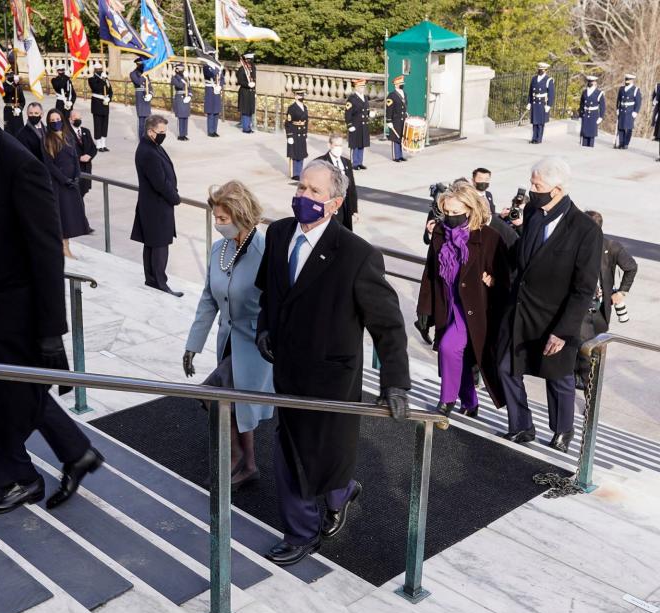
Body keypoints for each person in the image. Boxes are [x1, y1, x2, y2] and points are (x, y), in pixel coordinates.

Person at [0, 65, 102, 515]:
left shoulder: (17, 163)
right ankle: (73, 453)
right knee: (4, 391)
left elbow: (47, 253)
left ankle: (20, 479)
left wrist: (51, 331)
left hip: (11, 309)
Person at [255, 159, 410, 566]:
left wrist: (396, 382)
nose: (302, 197)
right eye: (301, 187)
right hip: (288, 369)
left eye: (314, 192)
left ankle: (337, 494)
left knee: (321, 450)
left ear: (335, 203)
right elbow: (269, 291)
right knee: (291, 449)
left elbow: (388, 324)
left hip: (332, 375)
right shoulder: (278, 233)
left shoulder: (356, 255)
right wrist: (264, 328)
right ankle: (302, 531)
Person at [497, 157, 602, 453]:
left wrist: (564, 331)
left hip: (556, 318)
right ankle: (520, 425)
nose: (532, 190)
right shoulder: (532, 212)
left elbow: (583, 289)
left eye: (537, 185)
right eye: (532, 183)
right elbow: (522, 257)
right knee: (506, 367)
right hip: (520, 310)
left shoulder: (585, 231)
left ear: (557, 190)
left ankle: (562, 431)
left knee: (557, 376)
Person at [184, 181, 273, 489]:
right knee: (237, 405)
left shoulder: (265, 252)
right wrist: (193, 345)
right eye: (215, 218)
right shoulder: (219, 249)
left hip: (256, 347)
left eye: (223, 219)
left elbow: (277, 302)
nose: (217, 224)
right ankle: (249, 465)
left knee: (213, 396)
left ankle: (234, 456)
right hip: (229, 344)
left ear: (241, 215)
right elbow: (209, 297)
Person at [417, 183, 509, 418]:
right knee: (461, 354)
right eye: (446, 213)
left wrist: (493, 280)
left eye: (456, 213)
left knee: (449, 348)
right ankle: (469, 401)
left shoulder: (489, 237)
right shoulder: (439, 232)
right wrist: (424, 308)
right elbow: (430, 272)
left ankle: (447, 399)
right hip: (447, 303)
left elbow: (506, 274)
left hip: (473, 308)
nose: (450, 218)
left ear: (470, 209)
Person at [575, 211, 637, 387]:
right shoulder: (575, 244)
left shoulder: (611, 247)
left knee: (591, 343)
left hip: (600, 307)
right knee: (582, 341)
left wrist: (622, 292)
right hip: (580, 305)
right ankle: (583, 378)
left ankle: (585, 378)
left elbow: (631, 267)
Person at [132, 115, 183, 297]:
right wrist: (175, 198)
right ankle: (160, 283)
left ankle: (152, 279)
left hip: (153, 205)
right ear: (150, 131)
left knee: (152, 244)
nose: (163, 135)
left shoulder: (151, 146)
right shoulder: (148, 152)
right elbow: (160, 182)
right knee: (159, 245)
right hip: (157, 206)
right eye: (161, 132)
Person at [43, 108, 91, 258]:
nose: (56, 123)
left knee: (71, 217)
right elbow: (49, 165)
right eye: (52, 121)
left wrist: (77, 176)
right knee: (62, 217)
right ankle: (63, 248)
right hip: (59, 185)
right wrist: (64, 180)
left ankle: (67, 246)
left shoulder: (68, 136)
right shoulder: (47, 140)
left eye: (58, 119)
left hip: (72, 184)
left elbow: (75, 158)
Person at [314, 134, 358, 230]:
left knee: (345, 233)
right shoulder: (320, 162)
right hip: (330, 206)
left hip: (345, 206)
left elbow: (352, 187)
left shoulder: (346, 162)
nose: (338, 148)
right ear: (329, 145)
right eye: (336, 145)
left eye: (340, 145)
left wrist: (354, 209)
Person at [69, 109, 97, 197]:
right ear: (70, 119)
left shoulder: (86, 131)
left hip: (86, 169)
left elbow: (93, 148)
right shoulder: (66, 133)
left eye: (79, 118)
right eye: (75, 118)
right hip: (75, 170)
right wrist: (79, 158)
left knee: (83, 194)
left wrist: (89, 156)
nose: (78, 120)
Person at [345, 78, 370, 169]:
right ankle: (354, 163)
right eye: (361, 86)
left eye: (363, 86)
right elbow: (348, 113)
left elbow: (366, 110)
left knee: (361, 143)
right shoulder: (352, 99)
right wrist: (349, 125)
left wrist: (370, 114)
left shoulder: (365, 97)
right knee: (355, 144)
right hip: (355, 125)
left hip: (363, 125)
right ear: (356, 87)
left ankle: (360, 162)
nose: (363, 88)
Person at [87, 62, 112, 152]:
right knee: (98, 125)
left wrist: (109, 98)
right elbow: (96, 88)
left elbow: (110, 90)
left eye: (101, 69)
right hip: (97, 104)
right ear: (95, 70)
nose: (100, 71)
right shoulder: (92, 79)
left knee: (105, 125)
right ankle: (98, 145)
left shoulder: (105, 78)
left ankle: (104, 144)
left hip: (105, 103)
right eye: (98, 70)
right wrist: (103, 79)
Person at [527, 62, 554, 144]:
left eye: (542, 70)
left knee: (540, 123)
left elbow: (551, 94)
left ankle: (539, 139)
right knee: (534, 122)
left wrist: (549, 105)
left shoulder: (548, 80)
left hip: (542, 103)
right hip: (535, 102)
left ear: (546, 70)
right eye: (539, 69)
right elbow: (530, 92)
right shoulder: (534, 79)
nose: (540, 71)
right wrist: (529, 102)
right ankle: (534, 138)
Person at [285, 89, 308, 180]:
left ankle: (300, 171)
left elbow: (306, 122)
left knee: (301, 153)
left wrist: (305, 134)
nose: (301, 97)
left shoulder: (305, 107)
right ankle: (295, 173)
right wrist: (289, 136)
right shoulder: (292, 108)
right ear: (295, 96)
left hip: (302, 133)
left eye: (302, 95)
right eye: (299, 95)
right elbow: (288, 123)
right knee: (295, 153)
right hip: (294, 132)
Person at [385, 75, 407, 162]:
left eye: (402, 83)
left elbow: (404, 106)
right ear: (396, 84)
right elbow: (389, 109)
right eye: (400, 83)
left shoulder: (404, 93)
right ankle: (396, 156)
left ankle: (401, 155)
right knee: (395, 138)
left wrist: (406, 113)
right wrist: (389, 120)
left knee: (401, 137)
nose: (402, 85)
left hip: (403, 119)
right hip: (395, 120)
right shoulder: (391, 95)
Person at [616, 73, 641, 150]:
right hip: (622, 109)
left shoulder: (635, 89)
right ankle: (621, 143)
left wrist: (635, 112)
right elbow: (618, 100)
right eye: (626, 79)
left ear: (632, 80)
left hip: (630, 111)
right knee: (621, 127)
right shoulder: (621, 89)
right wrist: (617, 108)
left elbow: (638, 102)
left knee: (628, 128)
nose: (627, 81)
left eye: (628, 80)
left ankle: (626, 143)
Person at [579, 75, 605, 148]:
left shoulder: (599, 93)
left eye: (592, 82)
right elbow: (581, 104)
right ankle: (584, 147)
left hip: (593, 115)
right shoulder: (584, 92)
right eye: (589, 81)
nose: (590, 83)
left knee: (591, 134)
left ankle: (590, 148)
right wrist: (580, 114)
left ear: (595, 83)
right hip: (585, 114)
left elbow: (602, 106)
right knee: (584, 133)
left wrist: (601, 117)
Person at [130, 57, 153, 139]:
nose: (142, 65)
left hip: (146, 96)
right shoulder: (133, 73)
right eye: (140, 64)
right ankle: (141, 138)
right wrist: (143, 75)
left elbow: (149, 85)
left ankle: (147, 137)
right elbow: (138, 82)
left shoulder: (146, 73)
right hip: (140, 96)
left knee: (148, 118)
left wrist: (150, 93)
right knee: (141, 119)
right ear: (137, 64)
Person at [236, 53, 256, 134]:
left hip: (251, 92)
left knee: (250, 110)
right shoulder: (242, 69)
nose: (250, 61)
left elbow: (254, 80)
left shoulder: (253, 68)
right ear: (246, 60)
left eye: (251, 60)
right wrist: (248, 85)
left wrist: (255, 90)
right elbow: (240, 81)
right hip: (244, 92)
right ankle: (245, 128)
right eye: (249, 60)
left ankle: (249, 126)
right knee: (245, 110)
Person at [171, 64, 192, 141]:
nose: (181, 70)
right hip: (180, 97)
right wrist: (184, 80)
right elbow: (179, 85)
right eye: (180, 69)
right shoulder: (174, 78)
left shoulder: (186, 78)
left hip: (186, 97)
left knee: (185, 116)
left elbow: (189, 87)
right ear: (176, 70)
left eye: (182, 69)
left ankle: (184, 134)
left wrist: (189, 95)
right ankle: (180, 135)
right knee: (181, 116)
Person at [203, 63, 224, 137]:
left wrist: (220, 86)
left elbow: (222, 78)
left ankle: (215, 130)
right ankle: (210, 131)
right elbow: (209, 74)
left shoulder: (217, 66)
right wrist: (217, 70)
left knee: (216, 111)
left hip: (217, 89)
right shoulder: (206, 67)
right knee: (211, 111)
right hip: (210, 89)